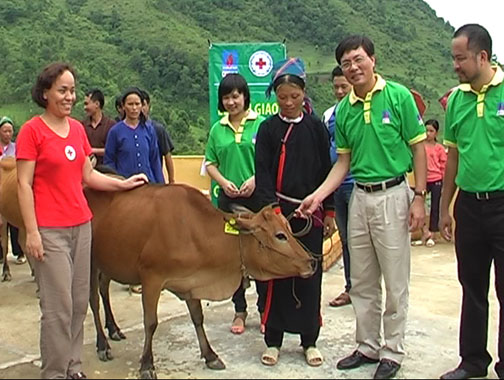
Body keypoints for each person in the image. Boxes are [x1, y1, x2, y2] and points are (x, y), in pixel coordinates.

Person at [298, 35, 427, 379]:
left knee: (395, 280)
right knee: (362, 280)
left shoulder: (398, 96)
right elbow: (343, 163)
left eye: (358, 60)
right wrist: (318, 195)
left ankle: (393, 351)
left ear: (372, 59)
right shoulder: (343, 111)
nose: (353, 67)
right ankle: (368, 346)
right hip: (359, 199)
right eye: (345, 63)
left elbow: (418, 149)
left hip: (393, 195)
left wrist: (419, 196)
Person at [16, 62, 147, 379]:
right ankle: (55, 372)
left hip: (81, 225)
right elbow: (23, 184)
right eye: (62, 90)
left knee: (77, 304)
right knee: (57, 309)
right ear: (45, 92)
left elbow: (88, 176)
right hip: (50, 230)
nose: (69, 97)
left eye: (72, 90)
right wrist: (31, 232)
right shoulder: (32, 131)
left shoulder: (76, 130)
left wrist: (122, 184)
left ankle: (74, 366)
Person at [254, 58, 336, 367]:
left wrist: (328, 211)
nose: (288, 103)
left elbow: (326, 171)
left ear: (304, 94)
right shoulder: (268, 129)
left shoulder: (315, 128)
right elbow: (261, 173)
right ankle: (273, 339)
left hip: (310, 213)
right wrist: (272, 211)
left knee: (309, 273)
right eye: (282, 97)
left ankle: (309, 339)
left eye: (294, 97)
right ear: (275, 97)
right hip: (277, 213)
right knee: (275, 275)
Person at [439, 24, 504, 380]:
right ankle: (473, 362)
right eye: (453, 58)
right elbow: (452, 158)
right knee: (472, 287)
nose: (455, 65)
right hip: (469, 207)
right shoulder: (457, 101)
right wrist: (446, 208)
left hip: (503, 204)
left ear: (482, 56)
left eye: (460, 58)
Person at [204, 73, 267, 335]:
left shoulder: (261, 124)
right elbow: (210, 163)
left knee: (263, 255)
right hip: (228, 201)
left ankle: (265, 311)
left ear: (245, 97)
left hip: (258, 199)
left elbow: (270, 161)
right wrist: (224, 182)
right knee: (234, 257)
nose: (232, 102)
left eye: (236, 96)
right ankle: (239, 310)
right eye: (227, 97)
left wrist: (255, 178)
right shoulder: (217, 129)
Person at [321, 66, 354, 308]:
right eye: (336, 87)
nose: (340, 91)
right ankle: (351, 288)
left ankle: (368, 291)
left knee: (363, 241)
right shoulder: (328, 115)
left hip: (360, 187)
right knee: (345, 239)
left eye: (345, 86)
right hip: (337, 188)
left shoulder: (363, 110)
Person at [104, 87, 164, 184]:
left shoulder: (149, 130)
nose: (134, 108)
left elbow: (155, 161)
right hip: (124, 186)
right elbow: (109, 161)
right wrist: (116, 182)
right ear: (123, 106)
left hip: (148, 185)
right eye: (130, 104)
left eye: (137, 104)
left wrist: (161, 185)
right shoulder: (115, 131)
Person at [411, 119, 446, 248]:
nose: (428, 133)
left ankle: (432, 234)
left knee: (435, 207)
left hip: (436, 179)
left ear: (436, 133)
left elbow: (444, 166)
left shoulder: (439, 148)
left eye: (431, 131)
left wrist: (443, 182)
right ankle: (424, 232)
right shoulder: (421, 147)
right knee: (420, 206)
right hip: (423, 181)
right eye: (426, 130)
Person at [0, 116, 26, 264]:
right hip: (2, 186)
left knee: (17, 223)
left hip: (14, 186)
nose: (8, 134)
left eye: (10, 131)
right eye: (5, 131)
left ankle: (19, 252)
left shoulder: (16, 148)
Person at [141, 90, 176, 184]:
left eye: (143, 104)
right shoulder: (121, 130)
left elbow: (167, 155)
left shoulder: (158, 129)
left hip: (154, 181)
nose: (140, 108)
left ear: (149, 106)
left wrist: (171, 181)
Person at [81, 89, 116, 166]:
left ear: (97, 104)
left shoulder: (111, 125)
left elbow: (114, 150)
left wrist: (92, 150)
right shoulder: (82, 125)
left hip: (107, 171)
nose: (85, 107)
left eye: (87, 104)